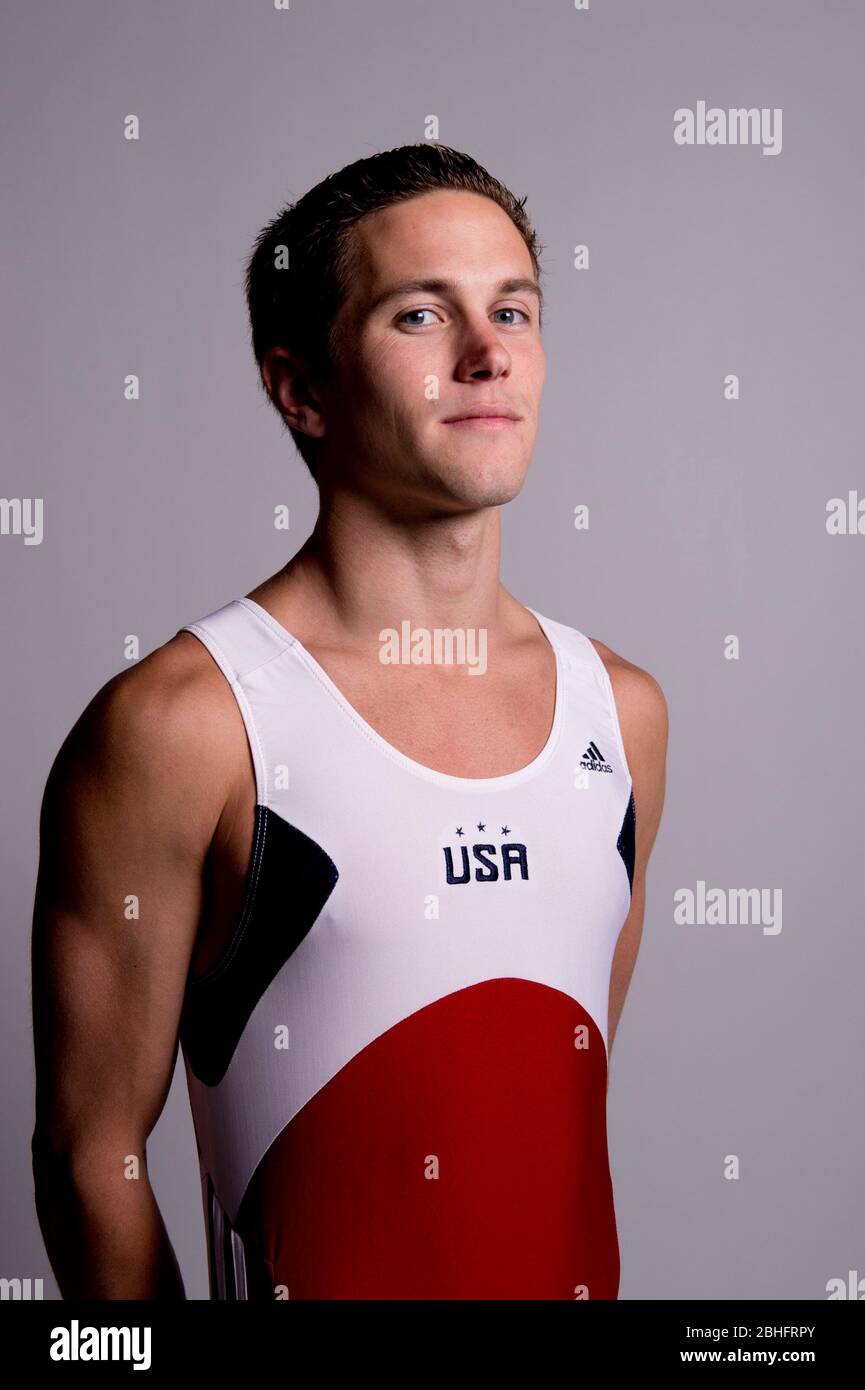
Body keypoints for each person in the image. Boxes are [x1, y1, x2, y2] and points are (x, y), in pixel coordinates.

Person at [31, 143, 668, 1300]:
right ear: (300, 388)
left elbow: (539, 1122)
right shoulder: (183, 726)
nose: (487, 355)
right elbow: (89, 1157)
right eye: (421, 314)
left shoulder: (621, 713)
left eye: (512, 308)